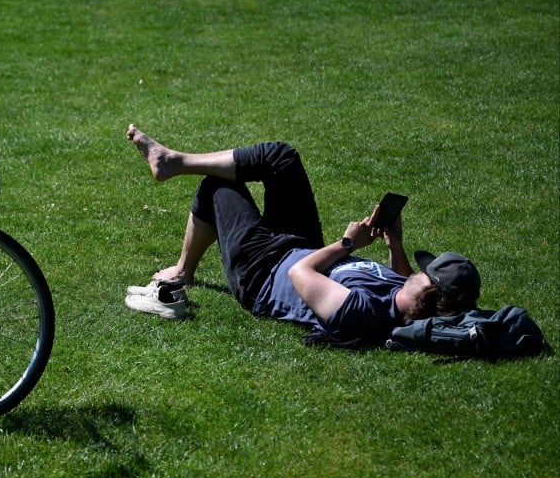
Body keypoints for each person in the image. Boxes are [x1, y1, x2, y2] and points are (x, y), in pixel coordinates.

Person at [125, 124, 482, 346]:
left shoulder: (363, 313)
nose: (417, 273)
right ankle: (174, 161)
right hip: (298, 246)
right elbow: (404, 281)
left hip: (263, 272)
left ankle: (184, 270)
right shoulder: (405, 297)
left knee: (217, 185)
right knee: (282, 158)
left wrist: (347, 245)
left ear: (430, 295)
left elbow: (301, 275)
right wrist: (396, 244)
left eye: (425, 274)